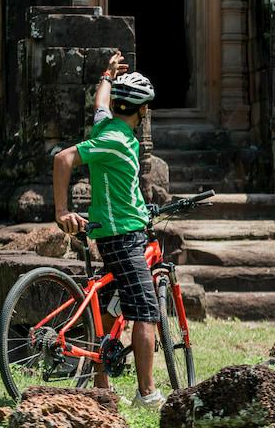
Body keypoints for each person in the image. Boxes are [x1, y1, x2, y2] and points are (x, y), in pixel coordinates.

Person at [52, 50, 165, 409]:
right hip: (122, 237)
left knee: (111, 305)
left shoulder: (107, 124)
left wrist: (107, 75)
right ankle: (147, 394)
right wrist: (61, 210)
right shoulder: (115, 141)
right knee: (146, 310)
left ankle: (101, 384)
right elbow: (63, 158)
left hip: (118, 231)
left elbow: (101, 103)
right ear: (142, 111)